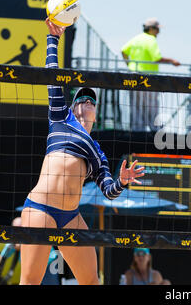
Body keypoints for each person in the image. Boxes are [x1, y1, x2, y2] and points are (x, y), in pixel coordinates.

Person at [19, 19, 145, 285]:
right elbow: (52, 75)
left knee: (91, 281)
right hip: (41, 208)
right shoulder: (61, 117)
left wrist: (121, 181)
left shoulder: (97, 151)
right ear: (74, 106)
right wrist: (52, 40)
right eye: (82, 99)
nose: (87, 103)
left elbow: (109, 191)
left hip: (71, 217)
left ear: (96, 116)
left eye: (91, 101)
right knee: (29, 281)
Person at [121, 17, 180, 131]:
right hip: (148, 78)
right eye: (157, 29)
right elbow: (156, 58)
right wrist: (172, 61)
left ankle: (137, 129)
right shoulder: (151, 40)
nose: (159, 32)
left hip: (133, 76)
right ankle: (154, 129)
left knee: (135, 106)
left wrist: (129, 65)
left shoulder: (136, 38)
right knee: (151, 105)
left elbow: (123, 51)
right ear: (151, 29)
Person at [0, 217, 60, 285]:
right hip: (33, 268)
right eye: (16, 229)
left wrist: (22, 246)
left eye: (21, 228)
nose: (19, 232)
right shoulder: (12, 242)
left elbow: (35, 255)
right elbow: (0, 259)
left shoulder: (34, 234)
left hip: (50, 263)